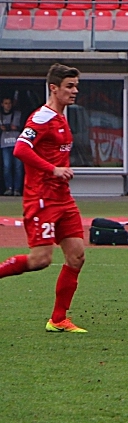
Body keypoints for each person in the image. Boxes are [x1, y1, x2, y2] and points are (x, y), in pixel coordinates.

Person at [0, 64, 88, 332]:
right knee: (40, 260)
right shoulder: (41, 117)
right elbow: (20, 149)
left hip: (63, 198)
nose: (75, 91)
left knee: (77, 256)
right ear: (54, 88)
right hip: (42, 198)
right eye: (69, 86)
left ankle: (58, 319)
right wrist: (53, 169)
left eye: (75, 86)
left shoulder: (62, 117)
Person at [0, 96, 23, 196]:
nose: (8, 105)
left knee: (18, 166)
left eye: (9, 103)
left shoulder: (18, 115)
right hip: (5, 144)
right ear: (2, 104)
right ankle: (8, 187)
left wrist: (16, 128)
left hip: (17, 143)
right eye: (6, 103)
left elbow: (25, 126)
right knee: (7, 166)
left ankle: (17, 189)